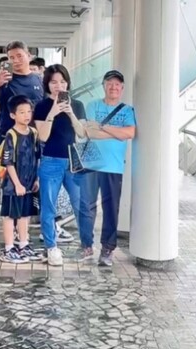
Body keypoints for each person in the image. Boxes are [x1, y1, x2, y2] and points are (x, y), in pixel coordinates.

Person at [78, 70, 137, 266]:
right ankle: (86, 244)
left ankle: (107, 248)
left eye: (118, 84)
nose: (114, 87)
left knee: (111, 208)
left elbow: (129, 133)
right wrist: (115, 133)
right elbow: (90, 132)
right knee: (87, 205)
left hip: (114, 167)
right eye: (110, 83)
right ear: (104, 85)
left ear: (122, 88)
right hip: (91, 163)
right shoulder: (93, 105)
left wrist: (103, 127)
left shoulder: (127, 110)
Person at [33, 64, 85, 266]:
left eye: (62, 81)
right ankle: (51, 247)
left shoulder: (78, 104)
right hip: (51, 159)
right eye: (54, 82)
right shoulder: (41, 106)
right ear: (47, 83)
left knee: (81, 203)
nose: (58, 86)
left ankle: (86, 244)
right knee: (48, 206)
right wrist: (53, 112)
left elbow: (81, 133)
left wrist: (70, 113)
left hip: (73, 159)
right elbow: (43, 136)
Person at [0, 95, 41, 263]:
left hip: (29, 183)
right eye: (21, 112)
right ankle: (9, 248)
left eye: (28, 111)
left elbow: (37, 157)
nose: (26, 115)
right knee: (10, 215)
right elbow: (8, 162)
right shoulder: (11, 135)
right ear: (12, 115)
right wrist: (16, 184)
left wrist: (36, 179)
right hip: (12, 185)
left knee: (24, 214)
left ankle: (24, 244)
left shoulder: (34, 133)